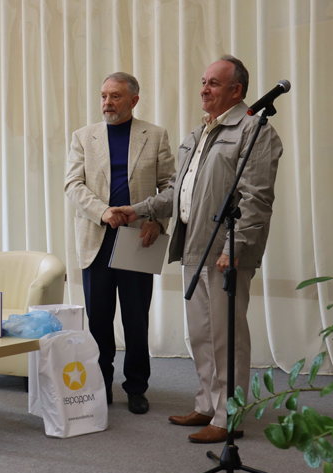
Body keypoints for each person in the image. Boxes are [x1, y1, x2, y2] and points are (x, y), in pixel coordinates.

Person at [115, 56, 282, 443]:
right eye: (204, 82)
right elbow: (178, 190)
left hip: (225, 251)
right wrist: (138, 210)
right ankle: (207, 404)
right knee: (202, 335)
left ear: (236, 91)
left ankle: (229, 416)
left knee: (226, 336)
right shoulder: (201, 132)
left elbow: (256, 199)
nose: (204, 89)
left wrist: (235, 246)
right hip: (194, 245)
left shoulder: (254, 130)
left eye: (214, 83)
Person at [64, 72, 175, 414]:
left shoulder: (155, 135)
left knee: (135, 319)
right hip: (96, 237)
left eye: (115, 96)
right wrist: (103, 212)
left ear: (133, 100)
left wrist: (158, 220)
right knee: (98, 320)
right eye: (103, 96)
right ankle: (101, 384)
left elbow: (171, 187)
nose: (107, 103)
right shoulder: (83, 137)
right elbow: (73, 185)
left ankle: (137, 387)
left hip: (138, 238)